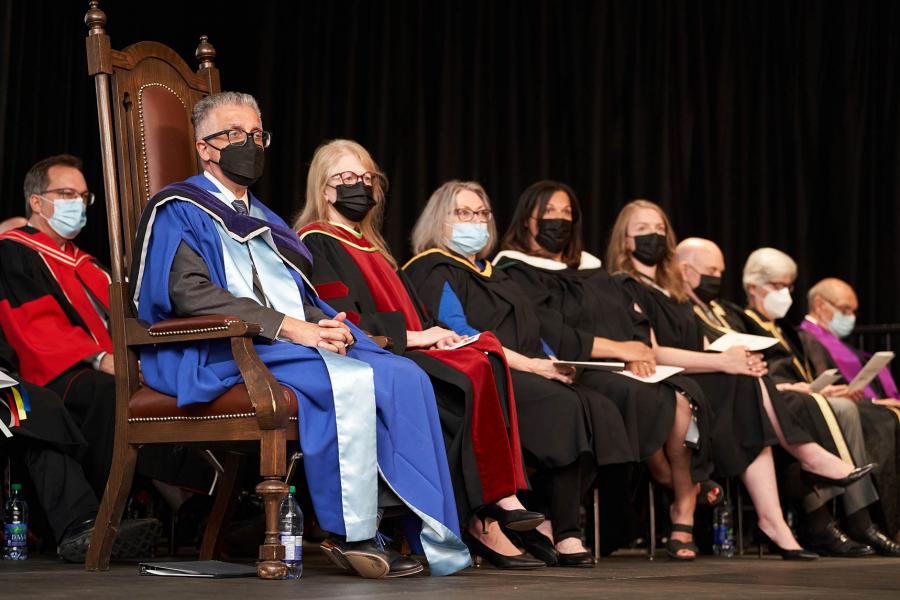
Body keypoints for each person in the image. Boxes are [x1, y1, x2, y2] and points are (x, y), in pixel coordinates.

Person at [130, 91, 469, 579]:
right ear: (205, 148)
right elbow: (190, 295)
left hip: (285, 341)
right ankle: (350, 533)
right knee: (352, 383)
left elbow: (295, 293)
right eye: (234, 135)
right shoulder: (178, 209)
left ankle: (418, 530)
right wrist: (294, 329)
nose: (249, 144)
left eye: (256, 135)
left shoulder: (264, 219)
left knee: (404, 374)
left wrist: (327, 324)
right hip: (218, 346)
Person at [295, 140, 544, 570]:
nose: (360, 186)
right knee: (463, 382)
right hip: (371, 355)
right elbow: (345, 317)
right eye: (347, 178)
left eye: (367, 178)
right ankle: (480, 516)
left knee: (482, 356)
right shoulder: (316, 241)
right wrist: (416, 338)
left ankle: (495, 504)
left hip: (407, 347)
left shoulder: (373, 245)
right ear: (325, 188)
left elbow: (414, 314)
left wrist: (439, 335)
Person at [605, 199, 873, 560]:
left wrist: (737, 359)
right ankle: (804, 460)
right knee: (740, 382)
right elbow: (653, 353)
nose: (653, 236)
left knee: (749, 380)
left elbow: (699, 343)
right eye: (642, 230)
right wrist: (724, 364)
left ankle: (773, 517)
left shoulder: (674, 291)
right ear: (624, 239)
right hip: (662, 379)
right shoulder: (623, 286)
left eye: (658, 229)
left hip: (695, 375)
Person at [404, 180, 636, 567]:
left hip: (527, 365)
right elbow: (460, 335)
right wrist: (531, 365)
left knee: (595, 403)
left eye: (481, 214)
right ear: (439, 220)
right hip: (487, 370)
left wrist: (551, 361)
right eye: (463, 213)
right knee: (564, 407)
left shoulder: (497, 273)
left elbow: (533, 330)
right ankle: (562, 530)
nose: (474, 221)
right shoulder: (433, 268)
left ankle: (550, 520)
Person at [492, 181, 722, 559]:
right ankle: (659, 485)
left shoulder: (591, 269)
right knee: (637, 397)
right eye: (549, 213)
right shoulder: (513, 271)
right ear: (528, 219)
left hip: (618, 365)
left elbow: (625, 316)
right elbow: (550, 332)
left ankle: (679, 499)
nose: (560, 220)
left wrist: (638, 351)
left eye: (567, 213)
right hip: (575, 367)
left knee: (678, 395)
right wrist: (623, 351)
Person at [679, 240, 898, 556]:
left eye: (720, 271)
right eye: (711, 270)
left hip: (763, 392)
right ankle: (823, 517)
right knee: (810, 407)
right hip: (732, 395)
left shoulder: (727, 312)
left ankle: (860, 518)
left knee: (840, 408)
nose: (786, 293)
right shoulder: (708, 313)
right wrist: (786, 388)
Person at [0, 155, 162, 560]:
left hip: (63, 373)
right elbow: (32, 322)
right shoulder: (14, 252)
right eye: (66, 194)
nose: (78, 204)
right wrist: (98, 358)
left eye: (83, 196)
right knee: (51, 405)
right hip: (32, 374)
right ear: (37, 203)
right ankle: (89, 522)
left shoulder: (92, 267)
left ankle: (182, 508)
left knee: (144, 392)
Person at [799, 276, 900, 539]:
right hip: (831, 408)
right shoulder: (806, 337)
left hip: (858, 405)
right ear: (820, 305)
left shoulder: (834, 339)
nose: (850, 317)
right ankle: (884, 523)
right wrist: (876, 402)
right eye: (845, 310)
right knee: (886, 422)